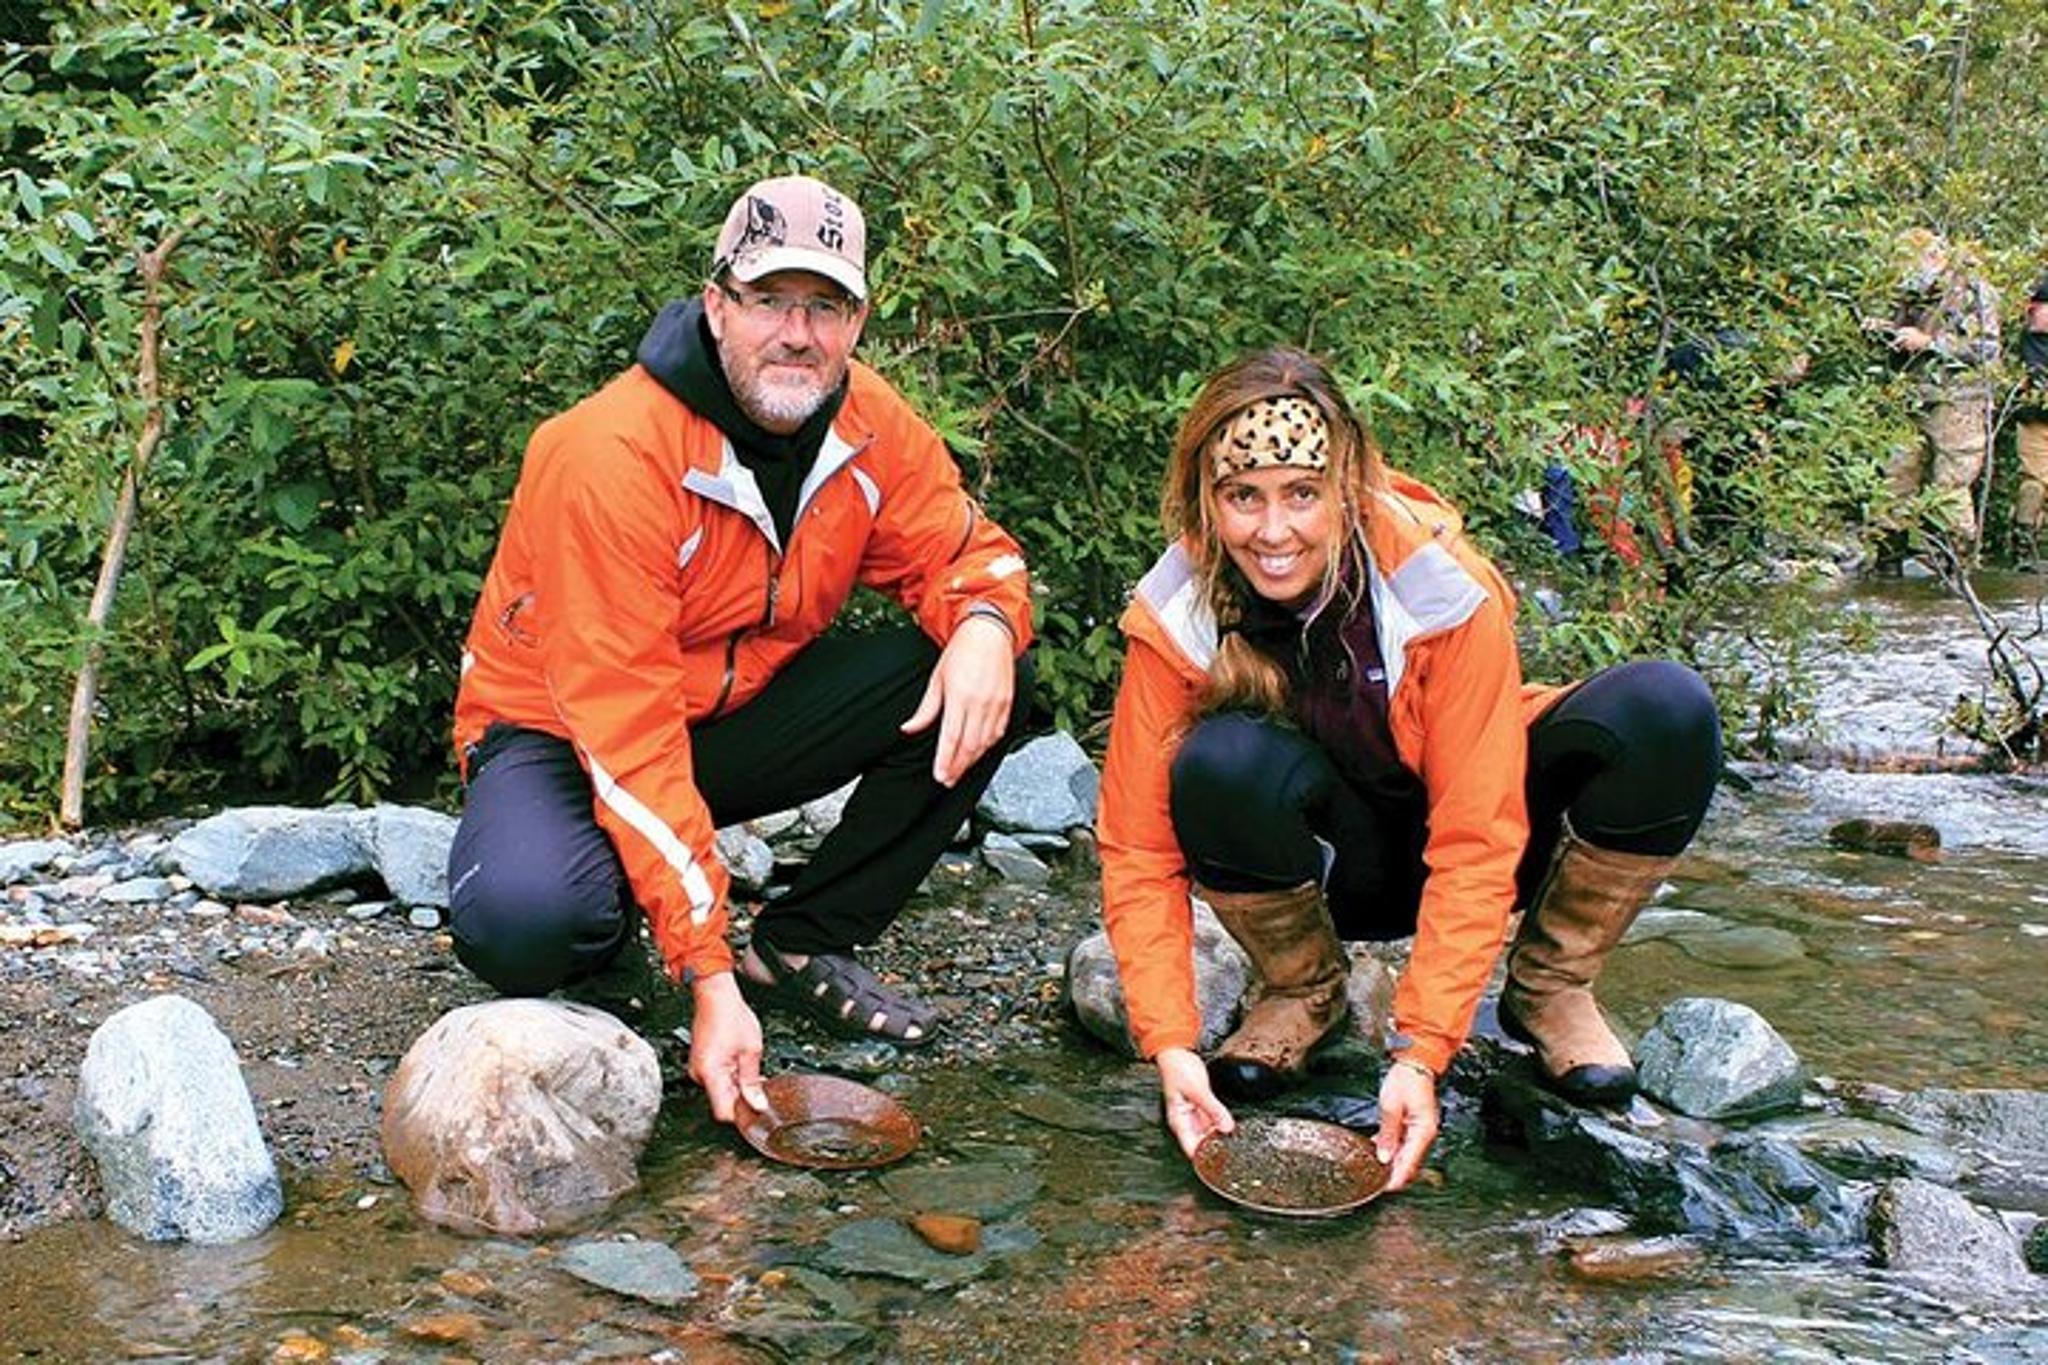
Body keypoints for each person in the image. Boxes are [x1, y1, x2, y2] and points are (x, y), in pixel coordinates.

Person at [445, 174, 1034, 1126]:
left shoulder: (867, 423)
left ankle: (802, 940)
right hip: (557, 727)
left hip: (725, 715)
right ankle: (621, 931)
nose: (798, 332)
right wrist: (705, 973)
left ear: (858, 322)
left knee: (990, 668)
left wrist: (984, 623)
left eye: (828, 306)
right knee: (528, 923)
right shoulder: (608, 453)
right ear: (717, 304)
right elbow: (625, 729)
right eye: (770, 300)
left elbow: (971, 550)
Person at [1097, 348, 1721, 1193]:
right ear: (1209, 502)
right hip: (1338, 864)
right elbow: (1138, 849)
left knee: (1664, 710)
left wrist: (1420, 1053)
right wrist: (1171, 1042)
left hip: (1466, 834)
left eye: (1301, 495)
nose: (1272, 532)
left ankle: (1551, 989)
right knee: (1221, 758)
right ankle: (1303, 991)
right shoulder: (1178, 611)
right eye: (1244, 497)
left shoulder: (1438, 588)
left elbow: (1477, 833)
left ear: (1345, 487)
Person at [1864, 229, 2002, 557]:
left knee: (1951, 486)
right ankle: (1888, 566)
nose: (1903, 273)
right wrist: (1883, 331)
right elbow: (1903, 333)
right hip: (1912, 395)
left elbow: (1987, 349)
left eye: (1908, 264)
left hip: (1958, 403)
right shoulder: (1912, 292)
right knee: (1895, 477)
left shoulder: (1974, 290)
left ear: (1934, 257)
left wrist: (1930, 343)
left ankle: (1957, 573)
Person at [2014, 276, 2048, 564]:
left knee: (2034, 480)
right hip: (2034, 415)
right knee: (2034, 481)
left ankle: (2025, 551)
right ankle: (2025, 549)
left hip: (2033, 411)